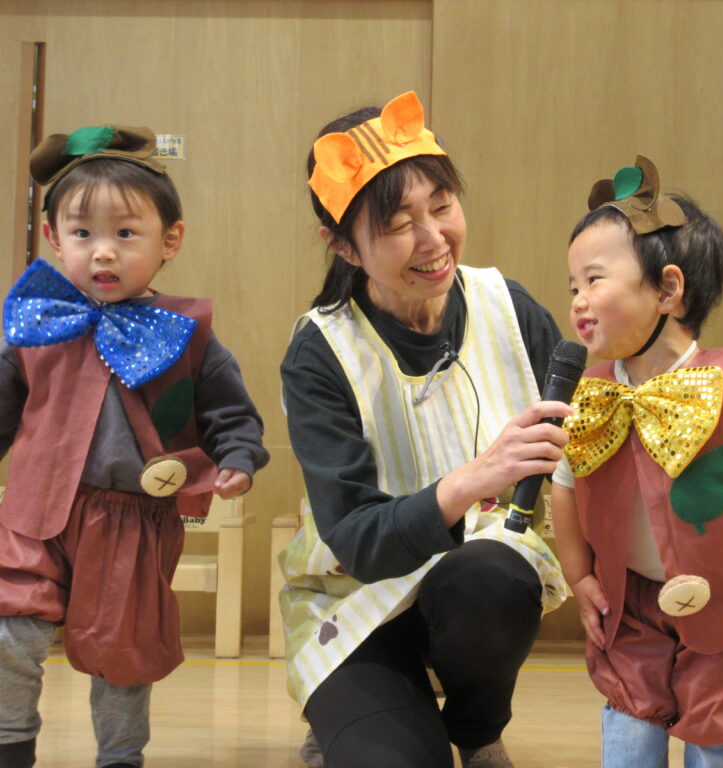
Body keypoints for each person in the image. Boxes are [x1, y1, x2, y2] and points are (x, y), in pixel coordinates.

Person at [278, 91, 569, 768]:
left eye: (441, 206)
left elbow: (582, 454)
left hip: (474, 587)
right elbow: (356, 537)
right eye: (397, 224)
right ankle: (357, 713)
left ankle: (476, 726)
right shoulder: (321, 351)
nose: (433, 238)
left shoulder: (509, 308)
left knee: (490, 577)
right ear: (342, 246)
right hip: (353, 599)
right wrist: (474, 478)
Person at [0, 125, 269, 768]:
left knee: (122, 653)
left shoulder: (186, 334)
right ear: (53, 238)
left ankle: (120, 757)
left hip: (130, 522)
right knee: (10, 628)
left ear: (169, 240)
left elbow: (231, 413)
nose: (103, 252)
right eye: (82, 233)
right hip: (33, 510)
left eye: (125, 233)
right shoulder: (34, 325)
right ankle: (10, 744)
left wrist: (238, 458)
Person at [550, 155, 723, 768]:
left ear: (667, 290)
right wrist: (579, 575)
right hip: (631, 604)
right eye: (573, 287)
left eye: (594, 280)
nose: (579, 300)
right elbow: (564, 484)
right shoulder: (590, 393)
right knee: (629, 721)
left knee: (721, 727)